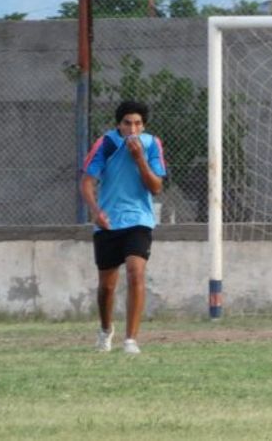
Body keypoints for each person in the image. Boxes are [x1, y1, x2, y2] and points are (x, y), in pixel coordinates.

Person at [81, 100, 167, 355]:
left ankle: (131, 340)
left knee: (135, 272)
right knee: (107, 287)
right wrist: (95, 212)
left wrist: (139, 157)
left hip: (139, 220)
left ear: (144, 126)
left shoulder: (152, 144)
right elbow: (87, 182)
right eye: (127, 123)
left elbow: (156, 187)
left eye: (138, 123)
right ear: (119, 124)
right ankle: (106, 329)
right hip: (109, 221)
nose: (132, 128)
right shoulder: (106, 143)